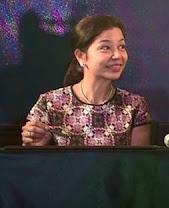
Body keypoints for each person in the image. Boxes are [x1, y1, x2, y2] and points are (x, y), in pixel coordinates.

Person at [21, 14, 151, 146]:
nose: (117, 55)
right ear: (81, 56)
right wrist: (36, 143)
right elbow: (32, 154)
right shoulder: (50, 103)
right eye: (105, 47)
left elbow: (139, 158)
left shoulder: (134, 105)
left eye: (121, 46)